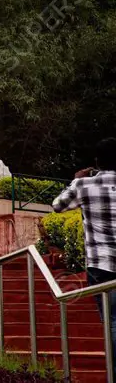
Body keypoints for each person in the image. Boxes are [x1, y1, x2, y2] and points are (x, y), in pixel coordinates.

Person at [52, 137, 116, 365]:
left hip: (100, 264)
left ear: (97, 161)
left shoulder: (84, 185)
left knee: (111, 320)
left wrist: (75, 180)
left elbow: (58, 206)